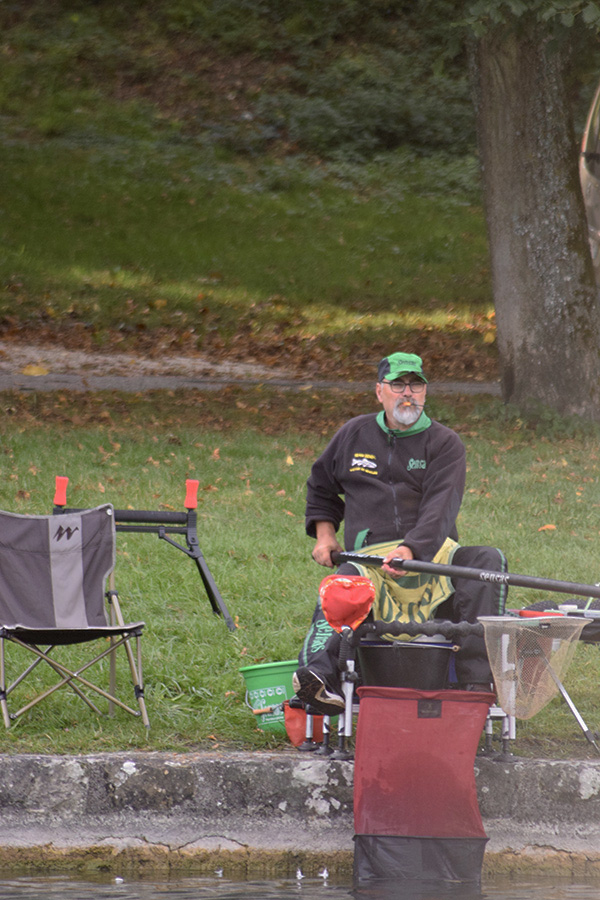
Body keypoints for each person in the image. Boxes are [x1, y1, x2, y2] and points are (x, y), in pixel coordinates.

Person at [292, 351, 507, 715]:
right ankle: (318, 679)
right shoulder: (353, 434)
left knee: (489, 561)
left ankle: (478, 684)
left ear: (425, 393)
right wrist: (325, 535)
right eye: (397, 385)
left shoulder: (445, 443)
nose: (408, 394)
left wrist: (413, 550)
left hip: (434, 557)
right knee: (341, 587)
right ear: (380, 392)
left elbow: (442, 507)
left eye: (416, 385)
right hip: (369, 561)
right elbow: (320, 486)